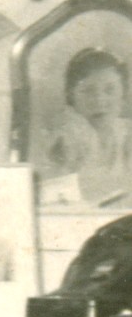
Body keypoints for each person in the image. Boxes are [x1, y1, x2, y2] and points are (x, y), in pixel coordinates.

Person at [43, 46, 132, 207]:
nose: (99, 100)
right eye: (88, 91)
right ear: (71, 95)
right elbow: (53, 198)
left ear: (123, 94)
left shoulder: (128, 133)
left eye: (110, 90)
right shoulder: (64, 137)